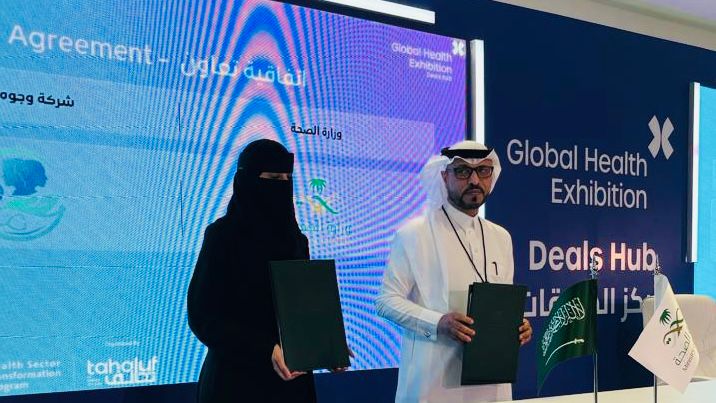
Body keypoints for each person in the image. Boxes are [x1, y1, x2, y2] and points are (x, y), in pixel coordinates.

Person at [375, 140, 533, 403]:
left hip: (491, 385)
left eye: (483, 170)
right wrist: (437, 322)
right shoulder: (414, 234)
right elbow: (385, 302)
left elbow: (501, 303)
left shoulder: (501, 237)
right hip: (432, 385)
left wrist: (516, 325)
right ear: (444, 176)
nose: (474, 180)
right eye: (462, 171)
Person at [187, 139, 317, 403]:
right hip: (235, 382)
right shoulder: (223, 236)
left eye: (287, 178)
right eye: (273, 178)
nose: (282, 185)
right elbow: (203, 317)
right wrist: (264, 348)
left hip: (291, 383)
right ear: (248, 181)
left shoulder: (296, 240)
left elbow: (301, 309)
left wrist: (326, 345)